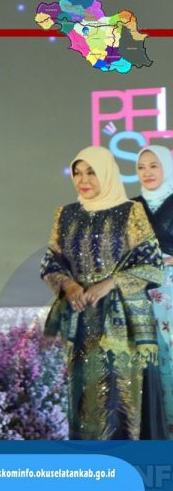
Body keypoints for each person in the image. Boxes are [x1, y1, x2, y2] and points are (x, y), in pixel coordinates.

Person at [41, 145, 166, 440]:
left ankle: (127, 463)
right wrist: (70, 285)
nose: (83, 180)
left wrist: (109, 284)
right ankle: (90, 464)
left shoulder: (130, 211)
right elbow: (51, 262)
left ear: (107, 174)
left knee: (120, 398)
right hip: (81, 318)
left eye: (92, 172)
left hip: (123, 321)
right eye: (77, 173)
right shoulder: (65, 214)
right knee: (84, 398)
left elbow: (152, 264)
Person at [134, 145, 173, 437]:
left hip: (171, 290)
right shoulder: (130, 208)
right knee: (148, 364)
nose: (147, 173)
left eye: (154, 166)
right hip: (138, 293)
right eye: (141, 167)